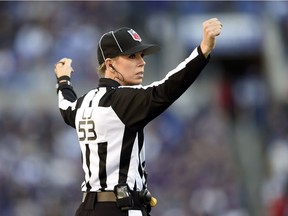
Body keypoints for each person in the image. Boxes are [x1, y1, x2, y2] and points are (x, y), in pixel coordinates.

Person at [54, 18, 222, 216]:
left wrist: (63, 81)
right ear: (110, 64)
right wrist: (203, 50)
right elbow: (165, 89)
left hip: (87, 209)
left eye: (141, 55)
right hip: (121, 208)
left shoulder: (84, 103)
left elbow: (66, 107)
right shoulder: (122, 100)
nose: (142, 62)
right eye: (132, 56)